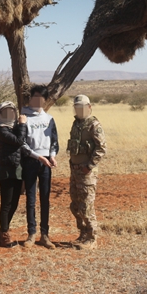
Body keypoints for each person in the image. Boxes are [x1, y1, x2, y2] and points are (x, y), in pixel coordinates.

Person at [0, 101, 51, 247]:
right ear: (0, 114)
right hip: (7, 170)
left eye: (11, 111)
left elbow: (24, 148)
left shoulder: (13, 128)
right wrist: (23, 124)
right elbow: (20, 141)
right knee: (6, 204)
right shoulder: (2, 129)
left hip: (19, 170)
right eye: (6, 111)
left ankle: (2, 232)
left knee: (14, 203)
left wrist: (40, 158)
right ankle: (5, 235)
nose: (9, 114)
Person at [20, 85, 59, 249]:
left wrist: (52, 156)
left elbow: (55, 141)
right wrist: (38, 157)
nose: (38, 101)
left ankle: (45, 235)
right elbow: (21, 143)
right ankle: (31, 234)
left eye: (41, 99)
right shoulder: (23, 117)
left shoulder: (49, 119)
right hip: (30, 160)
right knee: (31, 198)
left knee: (45, 198)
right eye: (35, 98)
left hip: (46, 163)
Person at [67, 94, 107, 249]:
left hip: (87, 172)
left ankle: (92, 238)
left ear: (89, 107)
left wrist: (89, 166)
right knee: (75, 205)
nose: (80, 110)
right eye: (77, 108)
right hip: (75, 171)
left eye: (83, 107)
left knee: (86, 206)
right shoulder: (76, 124)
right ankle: (83, 233)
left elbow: (101, 148)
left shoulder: (94, 125)